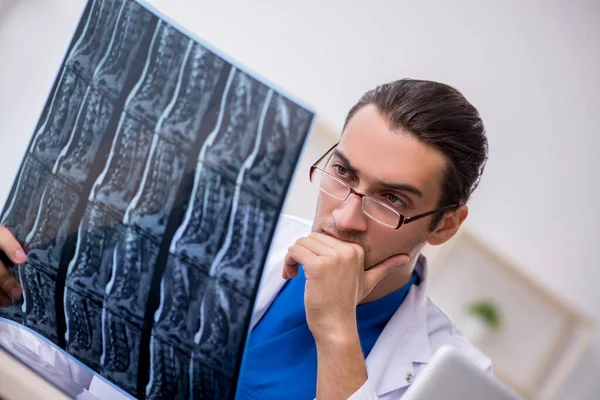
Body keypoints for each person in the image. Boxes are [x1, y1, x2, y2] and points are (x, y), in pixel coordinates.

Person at [0, 78, 491, 399]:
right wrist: (13, 294)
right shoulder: (211, 234)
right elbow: (65, 371)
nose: (344, 218)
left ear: (445, 223)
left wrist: (338, 337)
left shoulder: (457, 381)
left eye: (393, 201)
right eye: (342, 172)